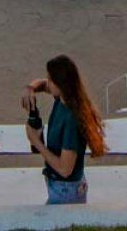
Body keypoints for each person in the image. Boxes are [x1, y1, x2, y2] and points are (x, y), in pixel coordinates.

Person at [24, 54, 106, 205]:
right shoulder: (64, 98)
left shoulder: (71, 119)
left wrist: (36, 142)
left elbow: (65, 169)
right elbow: (42, 84)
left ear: (60, 84)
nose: (47, 82)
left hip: (66, 191)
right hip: (64, 187)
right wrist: (30, 89)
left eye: (50, 79)